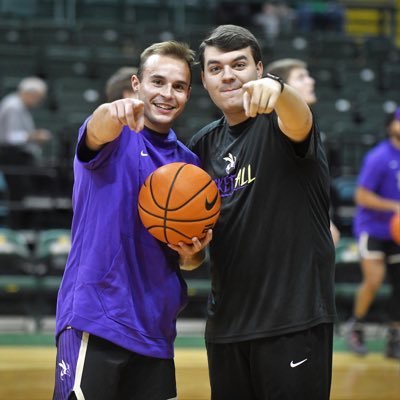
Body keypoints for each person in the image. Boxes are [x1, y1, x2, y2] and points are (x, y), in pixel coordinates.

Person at [52, 41, 211, 400]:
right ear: (137, 85)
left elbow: (192, 258)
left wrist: (192, 253)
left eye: (179, 86)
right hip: (97, 318)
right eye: (158, 82)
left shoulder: (189, 165)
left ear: (187, 94)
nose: (167, 94)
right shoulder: (113, 136)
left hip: (156, 329)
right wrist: (111, 111)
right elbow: (97, 129)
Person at [184, 25, 336, 399]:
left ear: (259, 69)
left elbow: (300, 119)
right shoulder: (201, 145)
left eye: (239, 64)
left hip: (292, 321)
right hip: (226, 327)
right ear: (204, 80)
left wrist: (282, 90)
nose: (229, 75)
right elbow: (193, 254)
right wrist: (189, 256)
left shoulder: (282, 125)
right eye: (216, 68)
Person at [266, 57, 340, 245]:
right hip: (287, 231)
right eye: (301, 77)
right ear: (284, 88)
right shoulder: (276, 127)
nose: (311, 81)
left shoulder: (309, 124)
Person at [345, 108, 400, 359]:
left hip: (397, 231)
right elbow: (361, 196)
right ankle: (356, 325)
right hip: (374, 227)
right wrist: (393, 206)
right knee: (375, 280)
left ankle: (394, 337)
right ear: (391, 126)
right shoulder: (379, 156)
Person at [0, 76, 52, 160]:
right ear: (29, 93)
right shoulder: (13, 106)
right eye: (38, 98)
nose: (39, 102)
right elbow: (10, 138)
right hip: (10, 156)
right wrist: (35, 137)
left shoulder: (20, 106)